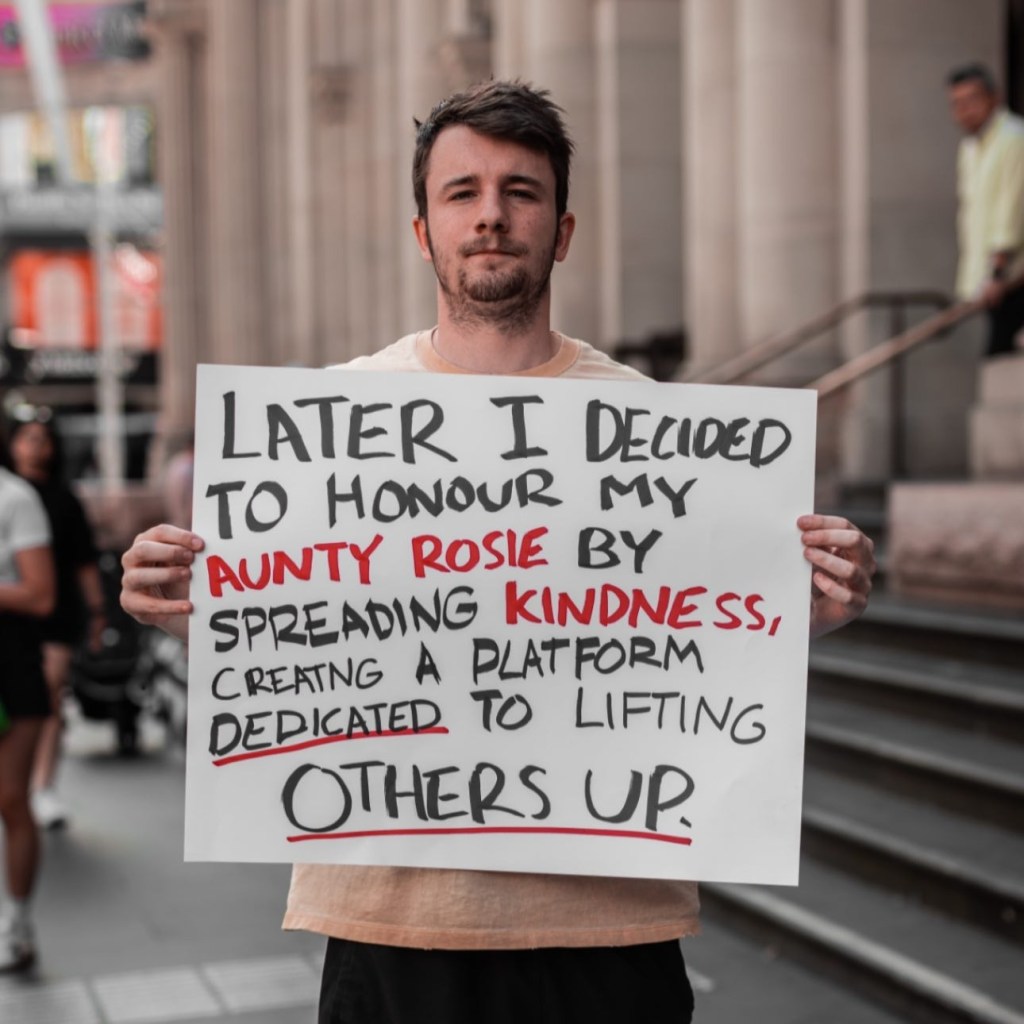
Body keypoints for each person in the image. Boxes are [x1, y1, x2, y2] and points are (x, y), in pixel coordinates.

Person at [120, 80, 876, 1023]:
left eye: (521, 191)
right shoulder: (319, 429)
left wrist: (813, 608)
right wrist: (178, 601)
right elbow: (288, 650)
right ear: (422, 229)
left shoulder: (662, 431)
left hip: (609, 932)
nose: (491, 216)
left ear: (561, 230)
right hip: (387, 924)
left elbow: (708, 646)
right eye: (462, 192)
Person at [8, 412, 106, 829]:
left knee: (48, 692)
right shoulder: (9, 492)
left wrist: (98, 610)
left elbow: (84, 560)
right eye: (27, 437)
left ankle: (42, 785)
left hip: (56, 610)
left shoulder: (64, 498)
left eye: (43, 439)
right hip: (11, 618)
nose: (35, 446)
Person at [0, 423, 56, 972]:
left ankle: (16, 923)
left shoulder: (15, 497)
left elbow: (41, 595)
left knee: (10, 799)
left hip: (9, 662)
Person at [948, 62, 1024, 357]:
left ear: (994, 97)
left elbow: (1012, 209)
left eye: (972, 100)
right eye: (957, 103)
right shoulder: (970, 148)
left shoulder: (1014, 140)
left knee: (999, 357)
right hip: (988, 276)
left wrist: (996, 272)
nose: (965, 110)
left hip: (1010, 275)